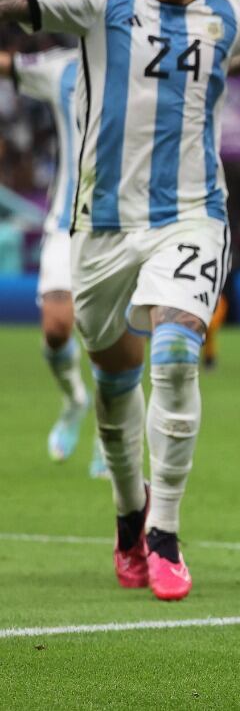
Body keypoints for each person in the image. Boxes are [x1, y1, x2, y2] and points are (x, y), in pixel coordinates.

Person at [0, 0, 240, 601]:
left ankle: (164, 530)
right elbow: (20, 1)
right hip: (100, 228)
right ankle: (129, 517)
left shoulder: (236, 12)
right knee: (115, 382)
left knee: (174, 354)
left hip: (192, 216)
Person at [2, 47, 106, 477]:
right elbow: (10, 63)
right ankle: (74, 400)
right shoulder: (61, 66)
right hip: (67, 221)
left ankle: (109, 435)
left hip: (127, 226)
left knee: (110, 341)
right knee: (57, 327)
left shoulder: (148, 54)